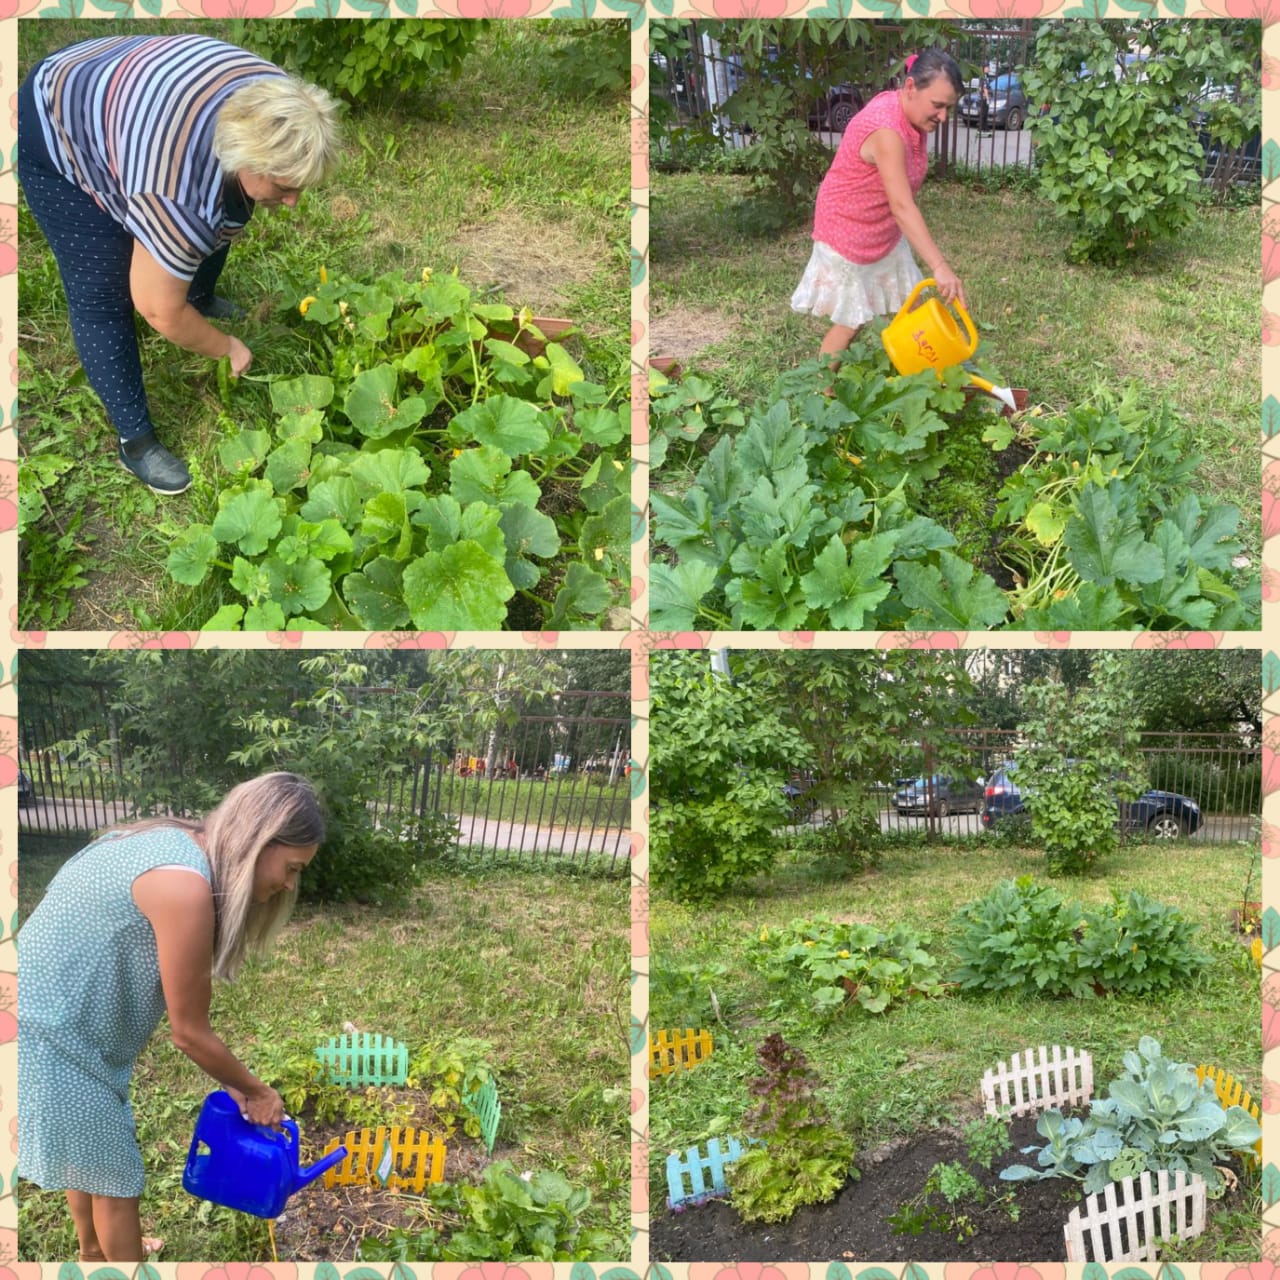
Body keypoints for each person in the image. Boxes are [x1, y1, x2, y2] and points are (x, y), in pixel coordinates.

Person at [17, 772, 325, 1262]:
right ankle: (114, 1261)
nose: (289, 883)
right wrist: (257, 1090)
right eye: (290, 867)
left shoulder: (173, 842)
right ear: (260, 840)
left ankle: (93, 1253)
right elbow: (190, 1032)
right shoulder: (185, 887)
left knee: (90, 1154)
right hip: (49, 1029)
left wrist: (236, 1082)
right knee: (118, 1182)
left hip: (51, 1015)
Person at [18, 34, 342, 495]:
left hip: (125, 89)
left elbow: (224, 211)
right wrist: (226, 348)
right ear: (243, 158)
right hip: (59, 115)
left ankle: (200, 296)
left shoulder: (280, 102)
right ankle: (136, 442)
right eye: (285, 186)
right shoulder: (177, 190)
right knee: (102, 290)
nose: (293, 202)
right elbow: (157, 309)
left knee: (216, 219)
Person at [791, 47, 967, 368]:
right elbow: (901, 205)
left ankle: (929, 369)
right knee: (850, 320)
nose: (943, 117)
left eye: (948, 108)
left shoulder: (908, 110)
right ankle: (821, 392)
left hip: (880, 228)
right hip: (848, 228)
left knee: (908, 302)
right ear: (911, 87)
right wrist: (940, 266)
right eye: (938, 106)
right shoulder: (887, 131)